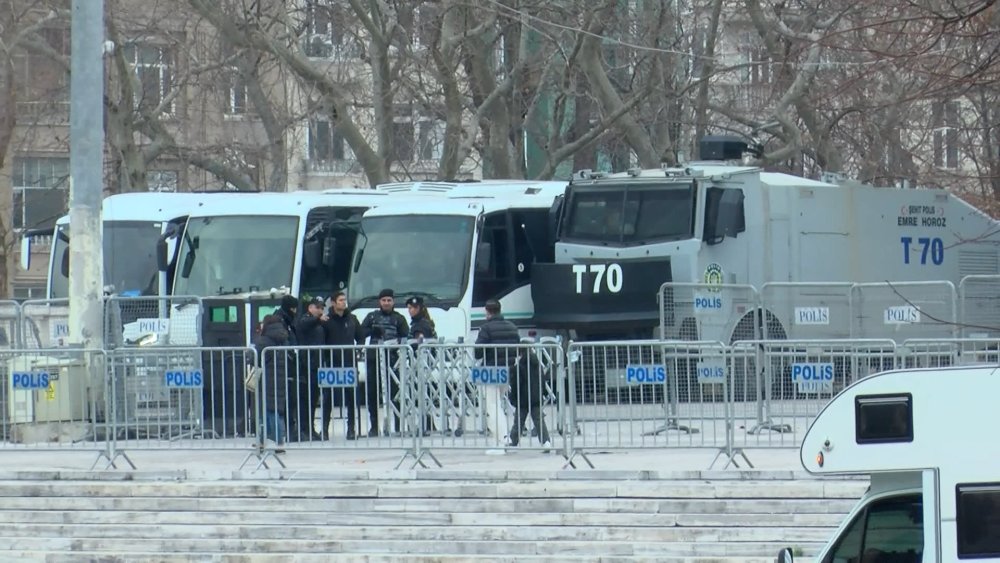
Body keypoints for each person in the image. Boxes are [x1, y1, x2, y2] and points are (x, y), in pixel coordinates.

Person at [360, 288, 409, 437]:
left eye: (389, 300)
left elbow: (405, 337)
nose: (386, 303)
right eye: (383, 300)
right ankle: (374, 427)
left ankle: (398, 426)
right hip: (373, 359)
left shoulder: (399, 318)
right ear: (379, 302)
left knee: (395, 394)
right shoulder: (372, 317)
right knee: (372, 394)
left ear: (393, 302)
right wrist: (372, 331)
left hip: (392, 360)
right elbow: (361, 333)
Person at [475, 299, 520, 446]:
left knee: (492, 405)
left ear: (487, 312)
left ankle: (503, 437)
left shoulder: (486, 328)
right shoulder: (512, 327)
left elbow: (478, 352)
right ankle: (500, 438)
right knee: (498, 403)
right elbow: (517, 348)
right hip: (508, 369)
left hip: (491, 370)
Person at [324, 291, 364, 440]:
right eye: (340, 300)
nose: (343, 302)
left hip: (349, 362)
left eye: (344, 299)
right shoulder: (327, 320)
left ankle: (351, 429)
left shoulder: (352, 319)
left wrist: (358, 350)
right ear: (333, 303)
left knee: (351, 397)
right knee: (328, 397)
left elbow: (360, 337)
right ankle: (324, 429)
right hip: (331, 364)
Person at [254, 314, 291, 451]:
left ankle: (277, 442)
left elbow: (255, 358)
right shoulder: (284, 338)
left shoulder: (264, 340)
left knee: (269, 410)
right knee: (274, 409)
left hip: (267, 378)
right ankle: (263, 440)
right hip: (280, 377)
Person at [292, 296, 327, 442]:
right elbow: (304, 324)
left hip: (316, 365)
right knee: (304, 400)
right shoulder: (305, 319)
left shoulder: (318, 323)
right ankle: (302, 429)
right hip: (305, 366)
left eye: (322, 308)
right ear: (310, 308)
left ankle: (310, 429)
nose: (320, 310)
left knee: (313, 399)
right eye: (317, 307)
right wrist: (318, 319)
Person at [508, 352, 552, 452]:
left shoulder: (519, 367)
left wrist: (513, 398)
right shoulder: (538, 365)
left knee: (518, 422)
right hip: (536, 398)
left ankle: (513, 441)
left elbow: (515, 384)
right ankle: (546, 442)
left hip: (522, 399)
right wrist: (541, 394)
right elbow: (542, 381)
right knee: (539, 421)